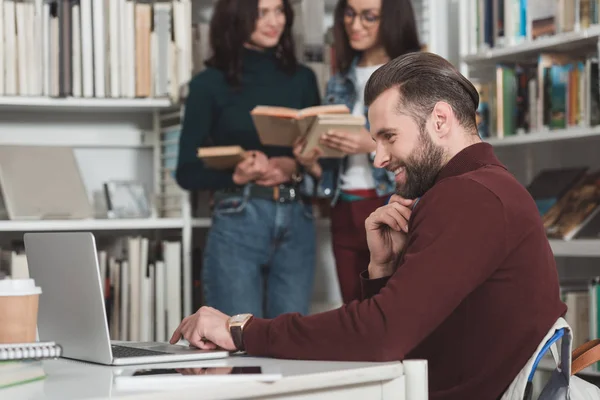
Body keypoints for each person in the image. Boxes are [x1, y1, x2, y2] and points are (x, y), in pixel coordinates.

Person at [170, 52, 567, 400]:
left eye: (389, 137)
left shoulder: (469, 196)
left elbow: (381, 337)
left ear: (440, 120)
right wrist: (383, 270)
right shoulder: (483, 187)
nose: (379, 158)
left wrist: (241, 329)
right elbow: (404, 337)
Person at [175, 0, 322, 319]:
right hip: (239, 216)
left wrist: (294, 166)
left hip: (298, 218)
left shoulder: (303, 79)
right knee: (236, 342)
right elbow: (185, 172)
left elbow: (321, 160)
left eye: (279, 11)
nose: (274, 21)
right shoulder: (208, 85)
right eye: (261, 12)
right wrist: (236, 175)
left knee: (292, 345)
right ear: (237, 17)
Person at [297, 0, 422, 304]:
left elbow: (428, 148)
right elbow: (332, 164)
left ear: (392, 19)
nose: (355, 25)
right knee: (353, 309)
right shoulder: (340, 79)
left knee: (396, 306)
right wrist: (310, 162)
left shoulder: (415, 76)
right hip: (344, 207)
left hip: (392, 203)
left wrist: (372, 146)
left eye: (369, 16)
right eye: (350, 14)